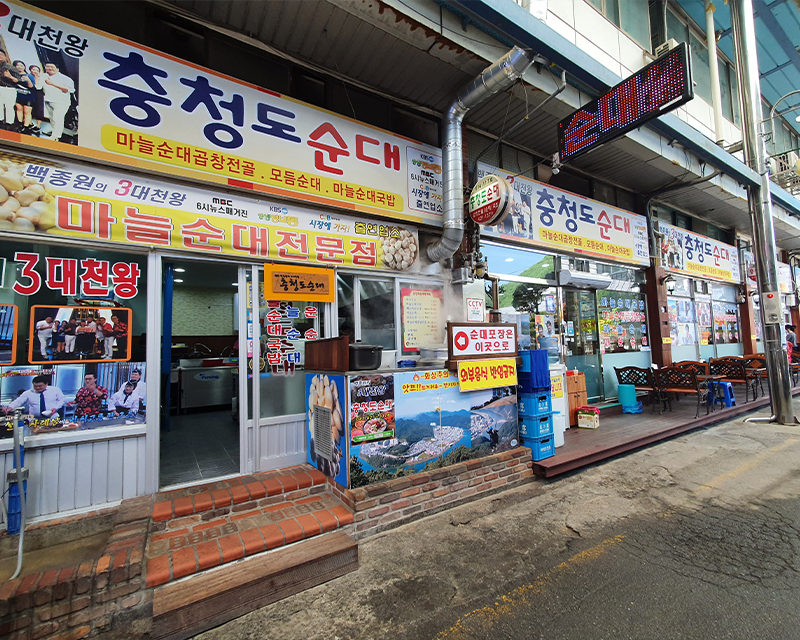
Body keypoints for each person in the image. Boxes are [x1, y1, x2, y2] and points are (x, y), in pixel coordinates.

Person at [36, 62, 74, 142]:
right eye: (47, 66)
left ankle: (56, 135)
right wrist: (37, 79)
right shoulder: (43, 76)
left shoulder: (65, 78)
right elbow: (38, 87)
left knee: (58, 118)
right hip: (48, 99)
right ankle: (54, 134)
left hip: (61, 101)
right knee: (52, 118)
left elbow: (69, 90)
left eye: (52, 67)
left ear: (57, 68)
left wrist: (52, 84)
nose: (50, 68)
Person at [0, 50, 20, 130]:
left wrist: (10, 76)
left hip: (10, 89)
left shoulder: (11, 67)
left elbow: (18, 80)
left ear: (5, 56)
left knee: (9, 106)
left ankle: (9, 123)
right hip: (0, 88)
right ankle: (0, 122)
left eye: (1, 55)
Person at [12, 60, 34, 133]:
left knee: (27, 112)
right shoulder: (14, 75)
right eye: (17, 65)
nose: (20, 67)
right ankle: (20, 125)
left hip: (28, 96)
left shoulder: (29, 76)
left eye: (21, 65)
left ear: (24, 67)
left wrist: (28, 80)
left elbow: (31, 86)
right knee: (19, 109)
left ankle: (26, 126)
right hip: (18, 95)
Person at [28, 64, 44, 133]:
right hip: (30, 93)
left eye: (37, 70)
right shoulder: (28, 76)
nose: (35, 71)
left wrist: (37, 79)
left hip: (39, 94)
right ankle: (30, 123)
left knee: (39, 110)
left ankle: (38, 126)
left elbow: (38, 87)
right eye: (34, 69)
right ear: (30, 70)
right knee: (29, 108)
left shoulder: (41, 78)